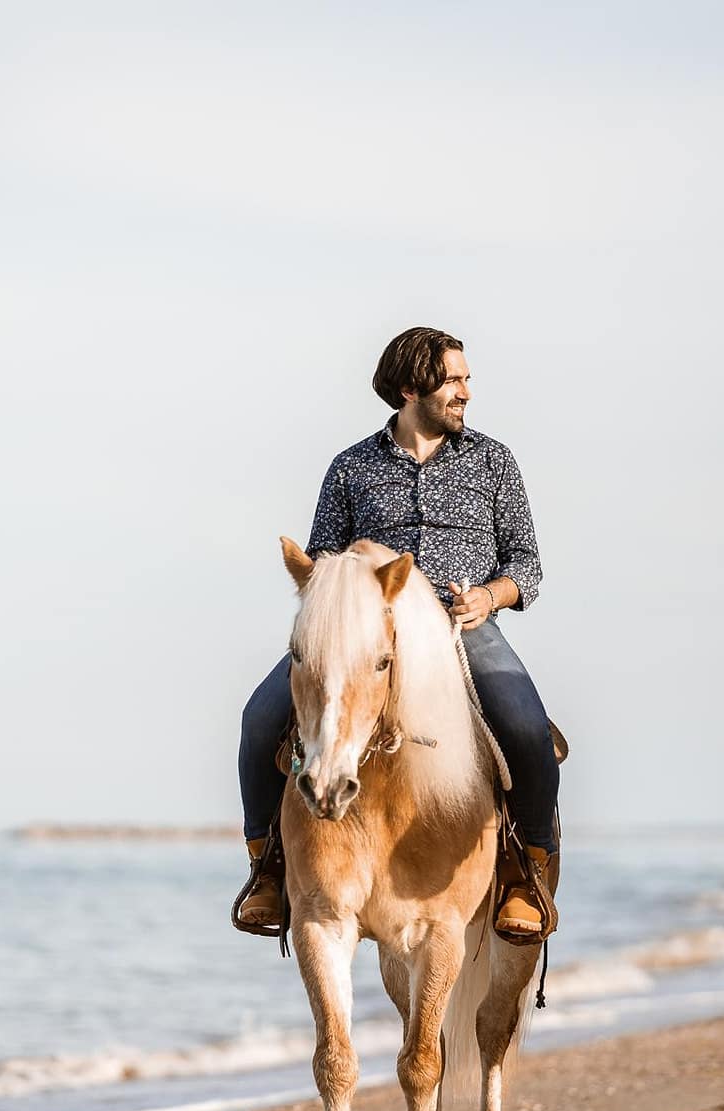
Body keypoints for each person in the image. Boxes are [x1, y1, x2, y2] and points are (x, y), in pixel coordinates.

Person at [234, 327, 561, 940]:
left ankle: (523, 872)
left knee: (524, 726)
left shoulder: (494, 461)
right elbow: (320, 569)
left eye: (466, 378)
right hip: (362, 638)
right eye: (453, 380)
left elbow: (527, 566)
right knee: (259, 722)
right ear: (412, 388)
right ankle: (270, 872)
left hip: (455, 629)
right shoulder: (351, 467)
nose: (465, 391)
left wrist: (489, 596)